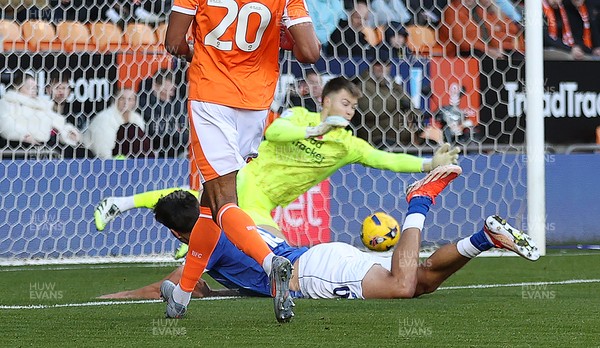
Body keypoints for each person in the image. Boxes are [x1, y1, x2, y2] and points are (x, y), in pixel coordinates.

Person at [95, 77, 460, 249]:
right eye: (345, 104)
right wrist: (316, 128)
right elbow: (274, 134)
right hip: (246, 182)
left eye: (354, 106)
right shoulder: (300, 116)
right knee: (278, 255)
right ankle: (195, 246)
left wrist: (427, 165)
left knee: (197, 204)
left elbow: (385, 159)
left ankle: (125, 206)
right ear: (327, 101)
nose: (350, 111)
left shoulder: (348, 145)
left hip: (266, 202)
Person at [97, 167, 539, 301]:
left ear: (179, 231)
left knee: (403, 287)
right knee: (420, 279)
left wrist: (105, 300)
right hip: (320, 254)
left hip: (312, 275)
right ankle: (482, 239)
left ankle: (420, 200)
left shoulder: (202, 242)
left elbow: (171, 286)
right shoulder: (233, 217)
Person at [162, 0, 320, 322]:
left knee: (222, 200)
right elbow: (309, 53)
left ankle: (269, 263)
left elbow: (174, 42)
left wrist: (204, 57)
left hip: (211, 96)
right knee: (208, 201)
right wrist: (278, 37)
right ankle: (180, 296)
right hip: (256, 103)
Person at [0, 72, 82, 156]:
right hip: (16, 148)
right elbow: (6, 126)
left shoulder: (40, 105)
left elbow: (58, 122)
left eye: (35, 88)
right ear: (17, 87)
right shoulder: (8, 102)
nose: (33, 90)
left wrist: (69, 133)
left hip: (41, 149)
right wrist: (23, 136)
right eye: (29, 87)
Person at [352, 60, 419, 150]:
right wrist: (397, 102)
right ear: (371, 66)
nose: (382, 67)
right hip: (378, 139)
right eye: (378, 64)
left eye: (386, 64)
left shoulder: (394, 85)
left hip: (404, 139)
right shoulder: (363, 85)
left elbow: (411, 107)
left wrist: (415, 131)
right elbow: (370, 111)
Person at [439, 0, 523, 59]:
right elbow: (463, 42)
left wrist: (499, 49)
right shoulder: (452, 11)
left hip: (482, 50)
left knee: (517, 57)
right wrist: (488, 50)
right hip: (462, 53)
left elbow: (491, 35)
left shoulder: (479, 10)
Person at [82, 89, 152, 159]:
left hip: (128, 159)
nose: (126, 102)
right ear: (115, 100)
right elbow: (102, 150)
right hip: (99, 161)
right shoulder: (105, 118)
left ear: (135, 102)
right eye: (122, 98)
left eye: (130, 99)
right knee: (132, 129)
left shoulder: (137, 118)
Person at [137, 69, 188, 158]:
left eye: (172, 90)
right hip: (153, 152)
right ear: (155, 86)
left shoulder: (178, 103)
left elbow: (184, 131)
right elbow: (151, 133)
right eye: (165, 90)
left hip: (178, 151)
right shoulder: (143, 105)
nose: (170, 94)